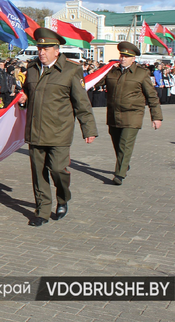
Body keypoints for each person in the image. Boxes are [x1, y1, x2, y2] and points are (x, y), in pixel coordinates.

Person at [18, 28, 98, 227]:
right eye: (39, 48)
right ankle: (42, 211)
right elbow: (28, 92)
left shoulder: (71, 71)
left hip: (59, 132)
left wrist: (88, 129)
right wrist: (24, 99)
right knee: (39, 173)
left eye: (46, 49)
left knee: (57, 169)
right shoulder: (33, 68)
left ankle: (62, 198)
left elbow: (82, 103)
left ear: (56, 50)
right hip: (35, 131)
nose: (41, 52)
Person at [101, 42, 163, 185]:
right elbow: (97, 82)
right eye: (121, 56)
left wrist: (157, 117)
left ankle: (119, 174)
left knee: (125, 144)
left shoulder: (141, 73)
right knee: (117, 144)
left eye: (127, 56)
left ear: (133, 58)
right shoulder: (112, 72)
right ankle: (124, 163)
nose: (123, 58)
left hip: (132, 115)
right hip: (113, 115)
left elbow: (152, 96)